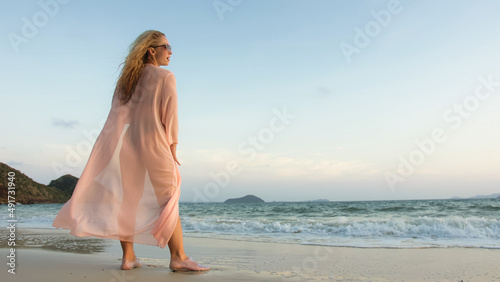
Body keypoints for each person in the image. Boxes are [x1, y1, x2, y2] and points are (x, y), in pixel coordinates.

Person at [52, 30, 209, 272]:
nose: (171, 52)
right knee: (168, 198)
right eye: (167, 46)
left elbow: (116, 118)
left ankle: (128, 257)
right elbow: (171, 118)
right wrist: (173, 146)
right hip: (155, 145)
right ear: (152, 50)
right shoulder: (165, 77)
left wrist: (110, 150)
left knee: (128, 200)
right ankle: (178, 256)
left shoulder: (125, 82)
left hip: (125, 146)